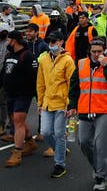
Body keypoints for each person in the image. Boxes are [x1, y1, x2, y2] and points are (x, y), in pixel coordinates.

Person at [68, 38, 107, 191]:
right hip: (85, 110)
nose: (97, 54)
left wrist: (106, 67)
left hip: (103, 111)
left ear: (104, 51)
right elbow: (74, 86)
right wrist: (72, 106)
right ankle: (97, 167)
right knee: (83, 142)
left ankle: (101, 177)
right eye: (94, 52)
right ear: (89, 52)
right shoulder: (80, 64)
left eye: (99, 51)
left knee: (101, 146)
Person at [0, 30, 39, 167]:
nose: (7, 43)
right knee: (18, 121)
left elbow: (35, 78)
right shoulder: (9, 54)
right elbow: (3, 74)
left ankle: (17, 152)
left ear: (14, 41)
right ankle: (30, 142)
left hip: (24, 94)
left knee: (18, 121)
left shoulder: (28, 56)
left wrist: (39, 99)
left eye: (8, 40)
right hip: (11, 94)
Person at [36, 31, 75, 178]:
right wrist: (40, 102)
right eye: (50, 42)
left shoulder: (67, 61)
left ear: (61, 42)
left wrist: (70, 104)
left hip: (61, 103)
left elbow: (72, 83)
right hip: (47, 102)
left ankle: (59, 164)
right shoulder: (44, 60)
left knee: (59, 134)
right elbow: (40, 83)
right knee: (45, 132)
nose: (51, 45)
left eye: (54, 42)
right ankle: (61, 149)